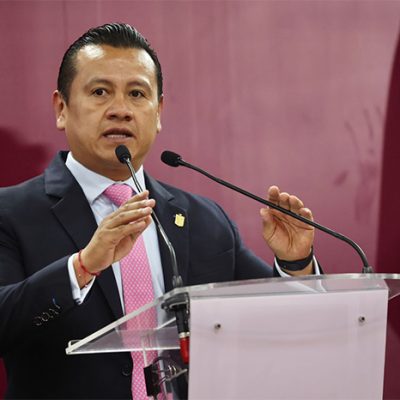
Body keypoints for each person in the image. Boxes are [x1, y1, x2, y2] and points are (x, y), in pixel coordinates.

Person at [0, 23, 318, 399]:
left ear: (159, 112)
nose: (121, 110)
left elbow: (278, 324)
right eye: (100, 92)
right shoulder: (11, 213)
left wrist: (295, 264)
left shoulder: (205, 220)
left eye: (137, 94)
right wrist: (82, 267)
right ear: (61, 109)